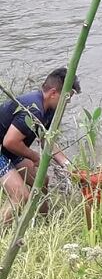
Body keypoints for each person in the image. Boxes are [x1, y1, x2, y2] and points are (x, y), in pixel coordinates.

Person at [0, 67, 79, 223]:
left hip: (8, 149)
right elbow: (10, 142)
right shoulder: (33, 109)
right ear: (53, 93)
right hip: (4, 148)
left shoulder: (48, 109)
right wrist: (34, 156)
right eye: (67, 98)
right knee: (20, 197)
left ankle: (43, 221)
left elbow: (46, 139)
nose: (68, 103)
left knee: (42, 181)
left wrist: (67, 165)